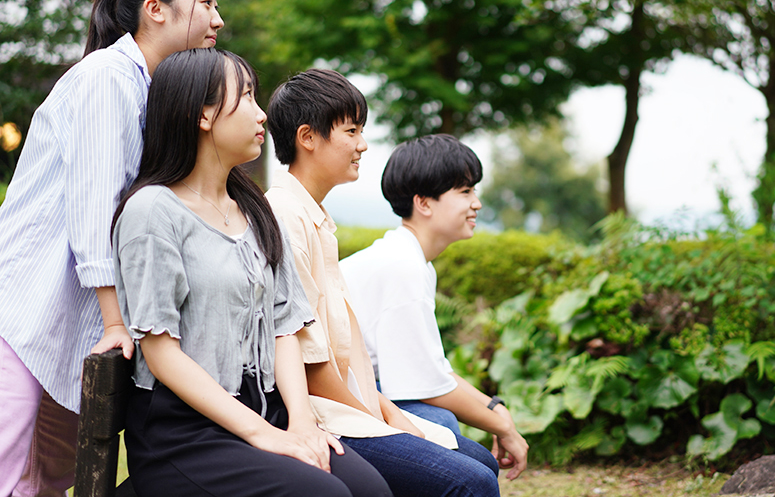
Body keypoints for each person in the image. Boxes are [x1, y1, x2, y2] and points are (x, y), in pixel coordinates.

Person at [111, 49, 392, 497]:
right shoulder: (152, 211)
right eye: (245, 97)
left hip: (267, 409)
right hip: (186, 434)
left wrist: (300, 424)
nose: (261, 114)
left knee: (372, 491)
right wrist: (266, 436)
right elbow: (161, 353)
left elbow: (284, 326)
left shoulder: (253, 208)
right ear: (203, 115)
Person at [0, 0, 224, 496]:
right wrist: (116, 324)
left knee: (50, 476)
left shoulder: (151, 89)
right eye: (207, 3)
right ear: (156, 9)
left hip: (72, 315)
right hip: (24, 306)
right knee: (9, 469)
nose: (218, 20)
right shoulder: (107, 78)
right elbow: (98, 206)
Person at [264, 69, 501, 497]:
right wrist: (380, 421)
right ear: (308, 137)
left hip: (349, 405)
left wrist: (386, 414)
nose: (363, 144)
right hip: (320, 414)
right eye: (352, 131)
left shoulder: (316, 219)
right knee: (474, 480)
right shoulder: (285, 217)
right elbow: (310, 365)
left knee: (479, 462)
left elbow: (348, 352)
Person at [340, 134, 530, 481]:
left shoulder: (411, 261)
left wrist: (494, 409)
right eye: (465, 191)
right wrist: (503, 424)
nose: (477, 204)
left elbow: (430, 371)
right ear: (424, 203)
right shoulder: (403, 266)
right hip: (341, 401)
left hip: (363, 391)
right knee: (447, 431)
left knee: (448, 429)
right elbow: (426, 385)